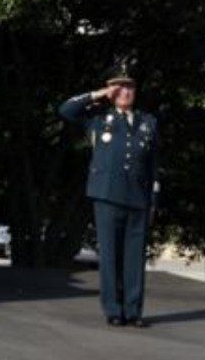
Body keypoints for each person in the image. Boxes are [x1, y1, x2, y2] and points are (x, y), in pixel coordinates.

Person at [59, 67, 158, 327]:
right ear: (112, 92)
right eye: (119, 87)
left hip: (138, 197)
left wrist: (153, 201)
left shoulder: (148, 122)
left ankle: (133, 311)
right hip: (107, 194)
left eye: (129, 88)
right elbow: (66, 110)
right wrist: (99, 94)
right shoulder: (98, 118)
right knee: (111, 256)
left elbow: (153, 166)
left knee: (135, 259)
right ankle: (113, 309)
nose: (125, 92)